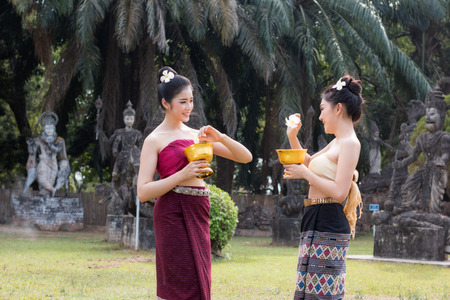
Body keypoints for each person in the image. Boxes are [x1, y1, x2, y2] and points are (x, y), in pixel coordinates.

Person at [137, 66, 252, 300]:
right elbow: (143, 192)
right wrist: (183, 174)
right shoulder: (154, 140)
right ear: (166, 103)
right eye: (182, 102)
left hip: (199, 209)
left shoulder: (196, 135)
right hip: (171, 212)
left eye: (191, 101)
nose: (189, 107)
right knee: (178, 281)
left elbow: (245, 157)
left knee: (200, 276)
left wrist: (221, 138)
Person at [283, 75, 363, 300]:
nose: (320, 116)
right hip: (314, 215)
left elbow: (339, 192)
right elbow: (308, 162)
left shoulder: (350, 143)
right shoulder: (336, 141)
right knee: (307, 292)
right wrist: (292, 136)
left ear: (338, 108)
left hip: (329, 219)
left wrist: (305, 174)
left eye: (322, 109)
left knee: (322, 294)